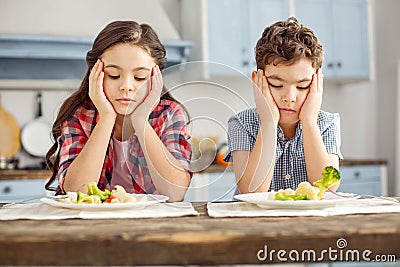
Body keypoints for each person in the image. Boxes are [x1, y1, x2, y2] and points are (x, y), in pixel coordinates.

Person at [45, 21, 192, 202]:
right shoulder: (79, 114)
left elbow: (175, 193)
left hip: (153, 222)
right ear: (95, 73)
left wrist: (140, 120)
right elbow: (76, 192)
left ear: (156, 79)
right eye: (114, 75)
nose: (126, 87)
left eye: (140, 77)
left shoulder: (169, 114)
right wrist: (106, 118)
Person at [224, 17, 342, 195]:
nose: (290, 97)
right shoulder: (242, 123)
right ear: (258, 82)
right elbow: (252, 191)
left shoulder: (327, 123)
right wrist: (269, 122)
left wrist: (309, 122)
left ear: (317, 83)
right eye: (276, 85)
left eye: (302, 86)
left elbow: (327, 188)